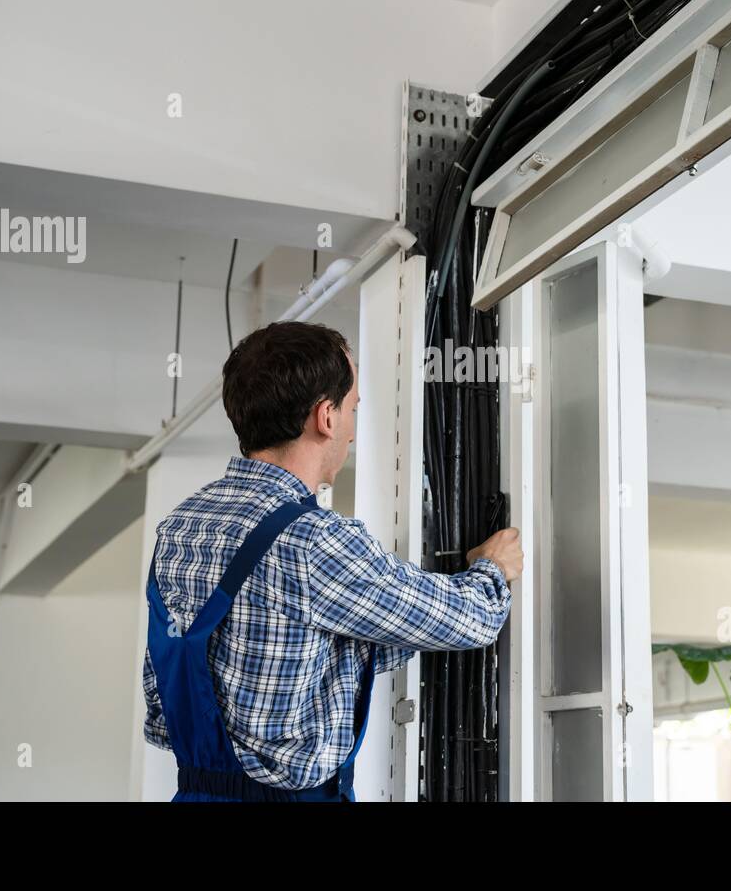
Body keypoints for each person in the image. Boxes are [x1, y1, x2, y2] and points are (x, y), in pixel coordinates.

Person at [142, 320, 523, 801]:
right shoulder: (314, 541)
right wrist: (493, 567)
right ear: (325, 417)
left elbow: (276, 647)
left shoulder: (179, 528)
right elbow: (473, 620)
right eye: (352, 410)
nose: (351, 431)